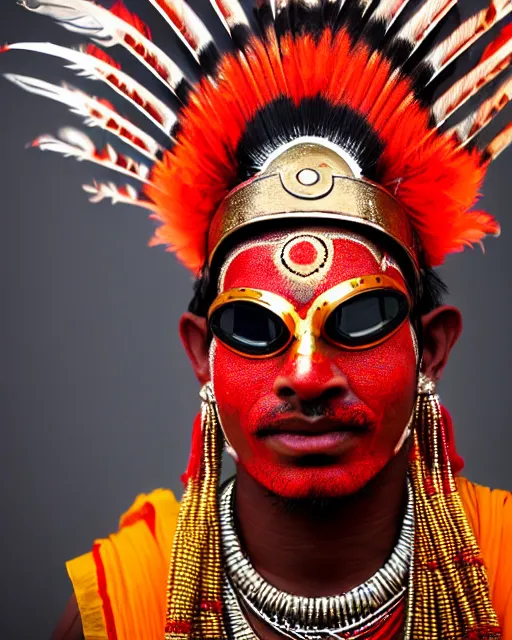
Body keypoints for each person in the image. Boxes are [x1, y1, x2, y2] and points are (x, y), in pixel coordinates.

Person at [5, 0, 512, 637]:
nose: (306, 375)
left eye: (360, 318)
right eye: (255, 326)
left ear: (431, 347)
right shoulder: (118, 613)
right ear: (200, 353)